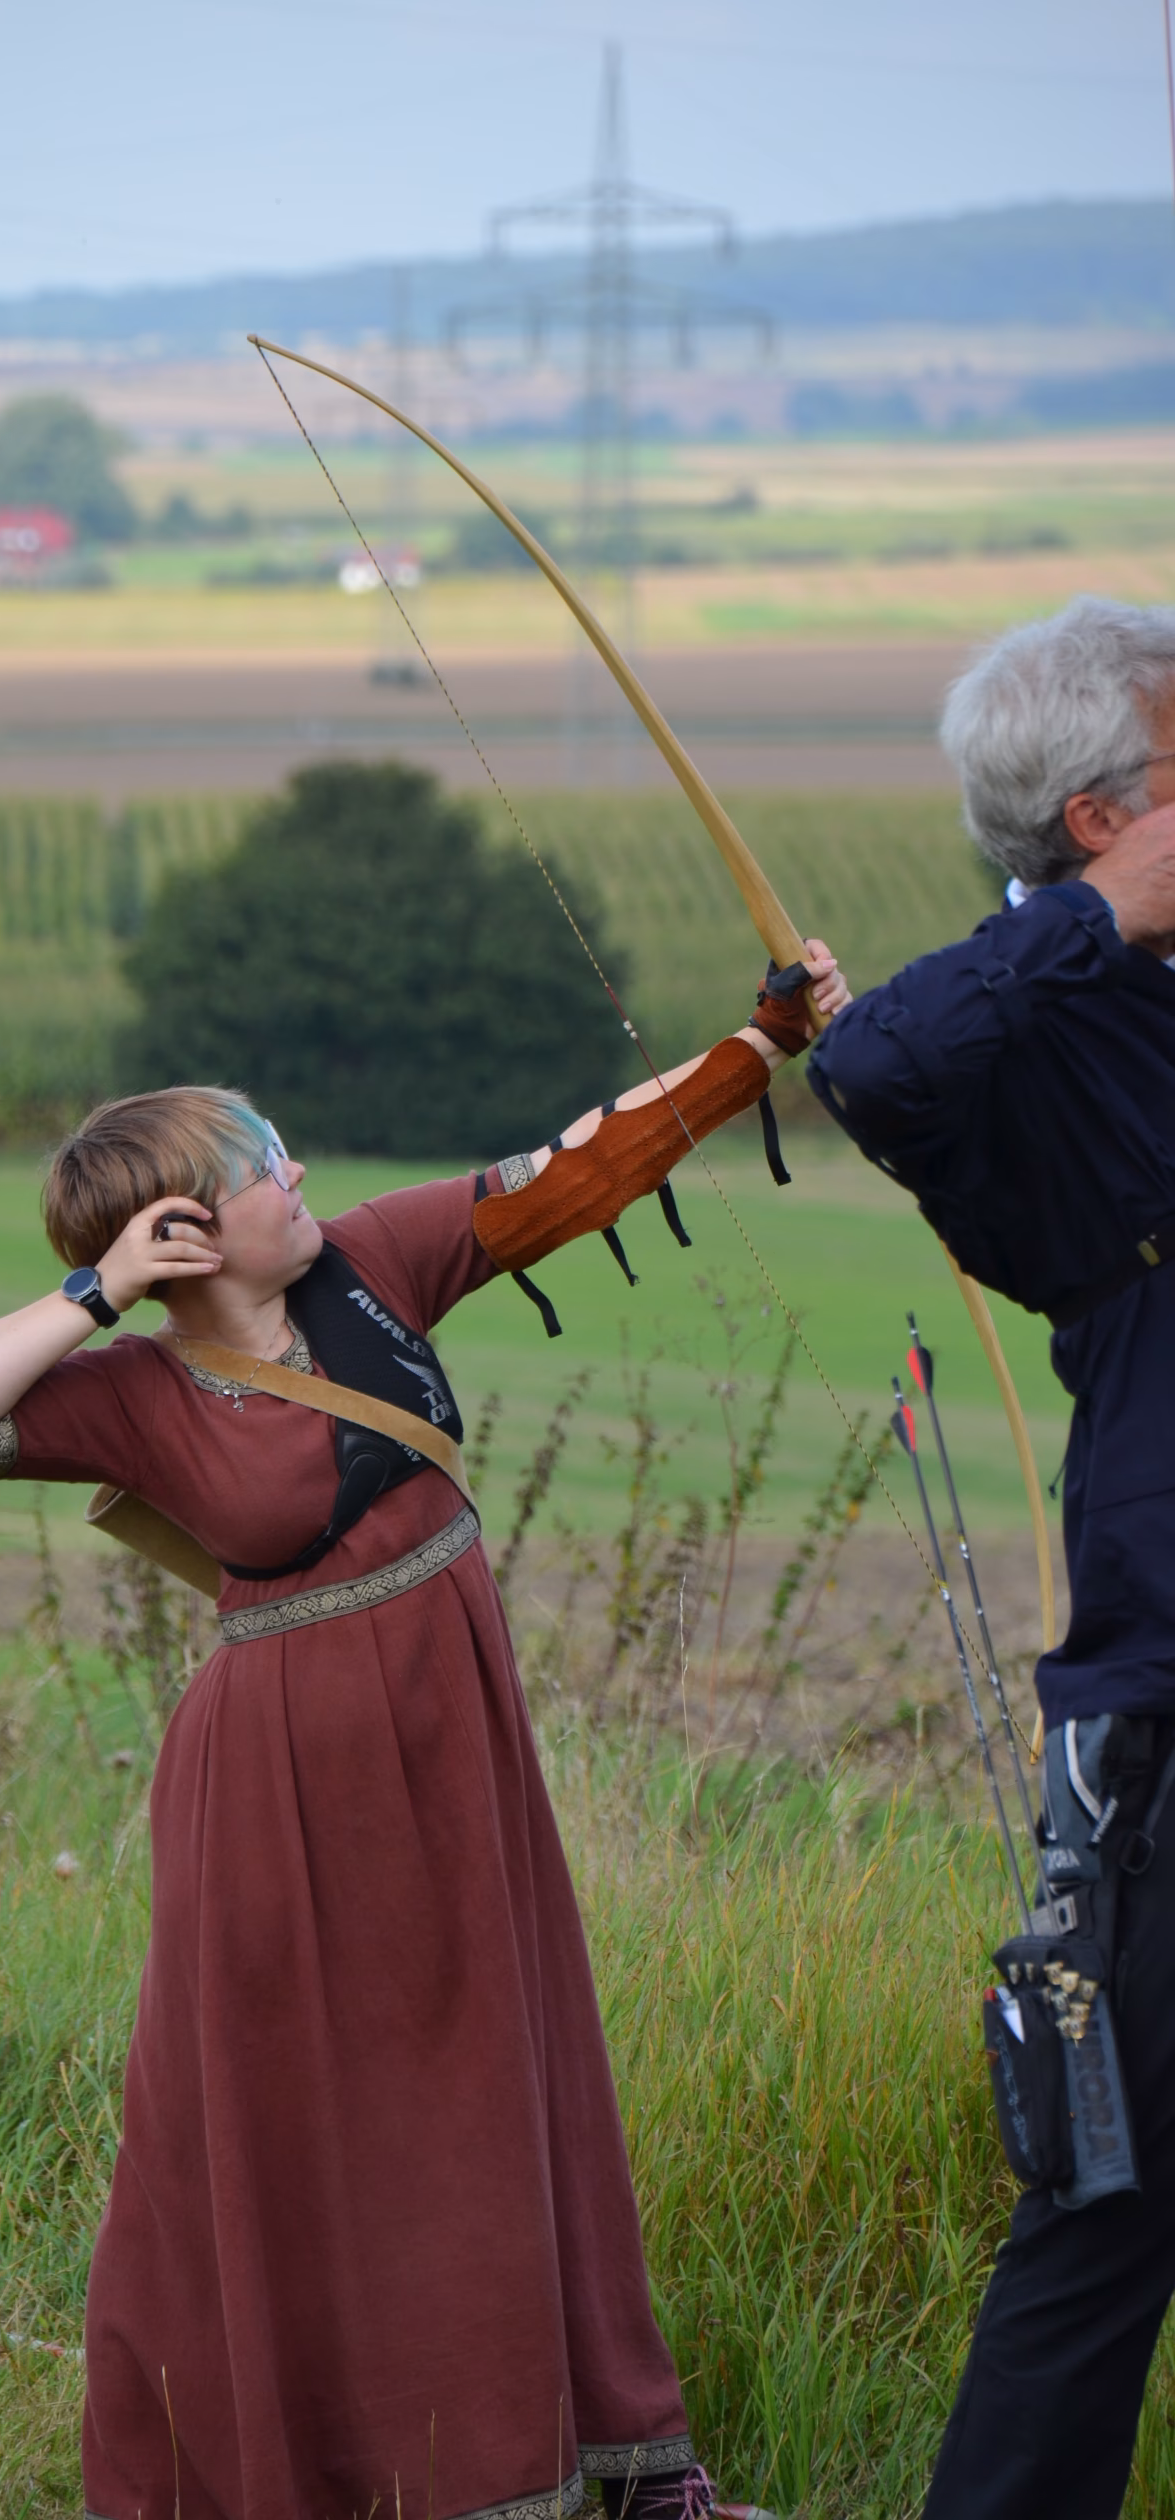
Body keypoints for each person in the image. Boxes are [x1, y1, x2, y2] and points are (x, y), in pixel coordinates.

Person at [0, 944, 848, 2520]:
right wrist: (97, 1291)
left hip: (448, 1742)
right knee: (316, 2122)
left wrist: (759, 1045)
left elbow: (573, 1171)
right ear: (185, 1229)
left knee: (500, 2082)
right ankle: (354, 2472)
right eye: (265, 1165)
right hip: (278, 1796)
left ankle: (618, 2465)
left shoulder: (372, 1265)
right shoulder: (135, 1390)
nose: (299, 1175)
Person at [805, 596, 1175, 2520]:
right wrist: (1092, 918)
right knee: (1112, 2196)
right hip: (1165, 1666)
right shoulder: (1021, 1024)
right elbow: (873, 1068)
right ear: (1109, 816)